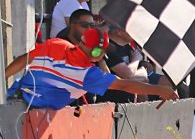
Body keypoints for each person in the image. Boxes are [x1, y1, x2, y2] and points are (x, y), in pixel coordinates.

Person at [5, 27, 178, 109]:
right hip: (37, 113)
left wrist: (3, 76)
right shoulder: (86, 74)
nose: (100, 54)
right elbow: (125, 85)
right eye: (98, 51)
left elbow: (24, 59)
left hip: (16, 100)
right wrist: (160, 90)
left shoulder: (57, 44)